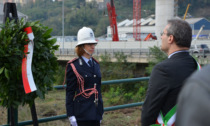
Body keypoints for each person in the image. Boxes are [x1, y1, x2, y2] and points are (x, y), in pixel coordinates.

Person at [141, 19, 199, 126]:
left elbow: (148, 113)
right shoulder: (196, 65)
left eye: (163, 34)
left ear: (170, 38)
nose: (161, 37)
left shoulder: (163, 69)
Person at [64, 27, 104, 126]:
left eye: (93, 44)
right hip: (81, 115)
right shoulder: (73, 66)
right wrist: (71, 115)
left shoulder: (96, 64)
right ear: (82, 46)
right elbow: (70, 92)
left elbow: (98, 89)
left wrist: (100, 111)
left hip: (95, 114)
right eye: (89, 44)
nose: (93, 46)